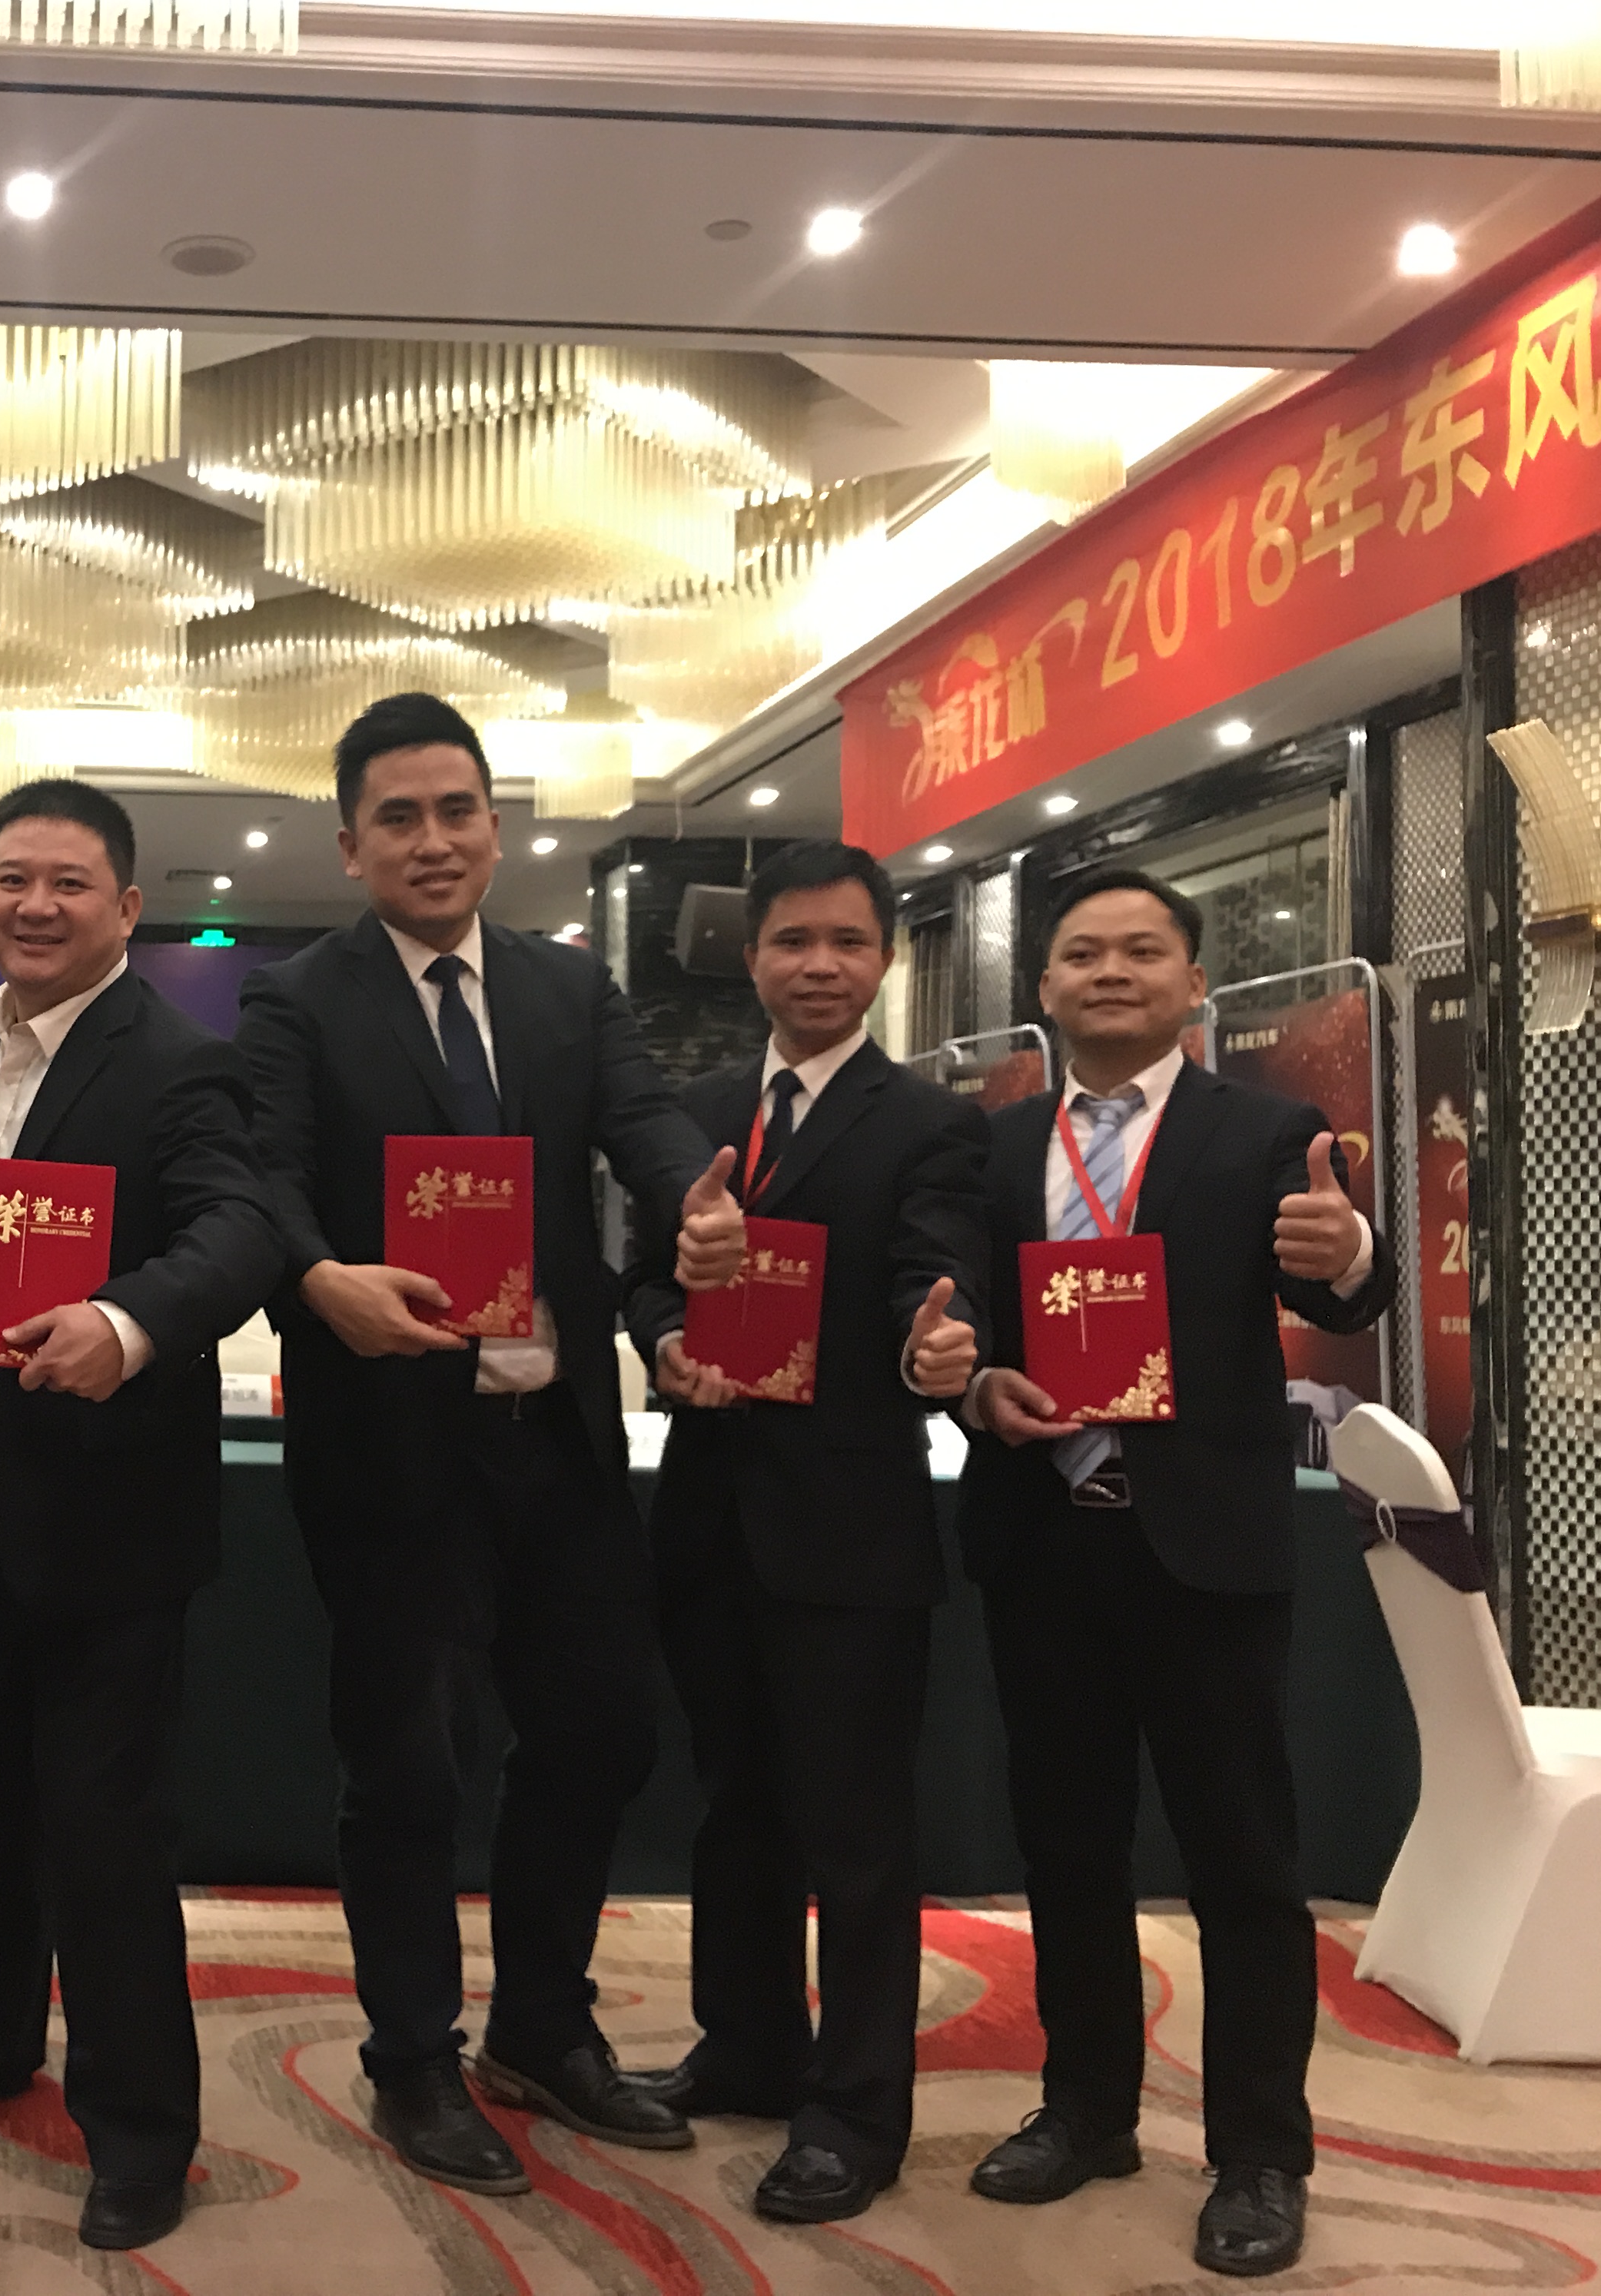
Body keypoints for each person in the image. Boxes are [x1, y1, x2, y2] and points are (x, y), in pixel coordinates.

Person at [237, 695, 745, 2195]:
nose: (433, 840)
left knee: (598, 1733)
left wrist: (696, 1204)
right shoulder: (297, 1000)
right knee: (407, 1765)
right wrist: (316, 1277)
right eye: (397, 817)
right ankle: (412, 2059)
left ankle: (541, 2028)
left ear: (496, 829)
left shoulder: (564, 987)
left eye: (456, 810)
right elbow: (262, 1179)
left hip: (557, 1431)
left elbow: (645, 1122)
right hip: (388, 1443)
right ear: (350, 846)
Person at [0, 779, 281, 2254]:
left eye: (69, 884)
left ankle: (142, 2129)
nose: (35, 906)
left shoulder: (177, 1063)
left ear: (128, 908)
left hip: (108, 1515)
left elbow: (240, 1230)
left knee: (104, 1824)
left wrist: (128, 1322)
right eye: (12, 878)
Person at [957, 867, 1391, 2280]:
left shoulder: (1264, 1132)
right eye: (1083, 953)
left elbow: (1335, 1283)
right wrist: (969, 1385)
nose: (1112, 972)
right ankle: (1087, 2111)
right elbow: (958, 1315)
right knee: (1066, 1846)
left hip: (1202, 1545)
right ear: (1044, 986)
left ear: (1194, 984)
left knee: (1242, 1859)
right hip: (1044, 1538)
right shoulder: (993, 1145)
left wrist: (1352, 1250)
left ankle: (1262, 2153)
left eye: (1143, 952)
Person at [618, 841, 985, 2225]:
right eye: (792, 941)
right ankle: (749, 2047)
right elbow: (646, 1278)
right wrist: (665, 1342)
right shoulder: (699, 1112)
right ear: (751, 957)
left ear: (884, 958)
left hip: (849, 1528)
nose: (819, 966)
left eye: (846, 942)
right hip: (710, 1514)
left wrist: (934, 1348)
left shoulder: (929, 1122)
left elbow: (931, 1280)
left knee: (857, 1835)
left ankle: (856, 2112)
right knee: (735, 1810)